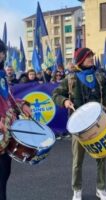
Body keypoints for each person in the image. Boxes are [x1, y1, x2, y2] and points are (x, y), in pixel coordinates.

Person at [52, 47, 106, 200]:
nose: (91, 59)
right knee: (77, 161)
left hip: (98, 124)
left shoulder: (99, 77)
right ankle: (77, 189)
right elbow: (56, 94)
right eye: (88, 57)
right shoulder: (71, 78)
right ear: (81, 60)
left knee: (101, 158)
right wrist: (65, 101)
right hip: (78, 127)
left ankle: (100, 188)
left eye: (92, 56)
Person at [0, 39, 32, 200]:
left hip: (5, 135)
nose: (1, 55)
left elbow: (8, 98)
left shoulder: (2, 76)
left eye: (2, 52)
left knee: (4, 176)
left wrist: (22, 105)